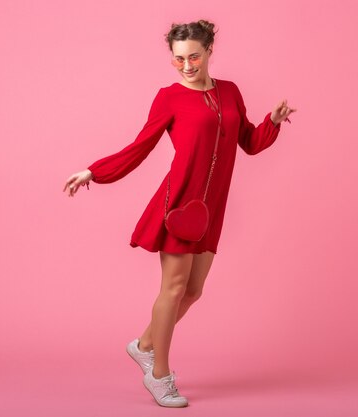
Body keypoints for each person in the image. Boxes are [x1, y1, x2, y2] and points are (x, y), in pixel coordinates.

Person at [63, 19, 296, 408]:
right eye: (178, 59)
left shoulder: (230, 92)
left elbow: (250, 143)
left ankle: (143, 345)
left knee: (193, 291)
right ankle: (160, 376)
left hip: (211, 208)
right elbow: (140, 146)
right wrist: (95, 171)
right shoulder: (169, 97)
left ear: (208, 52)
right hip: (178, 204)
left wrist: (272, 123)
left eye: (193, 57)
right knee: (172, 289)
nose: (186, 66)